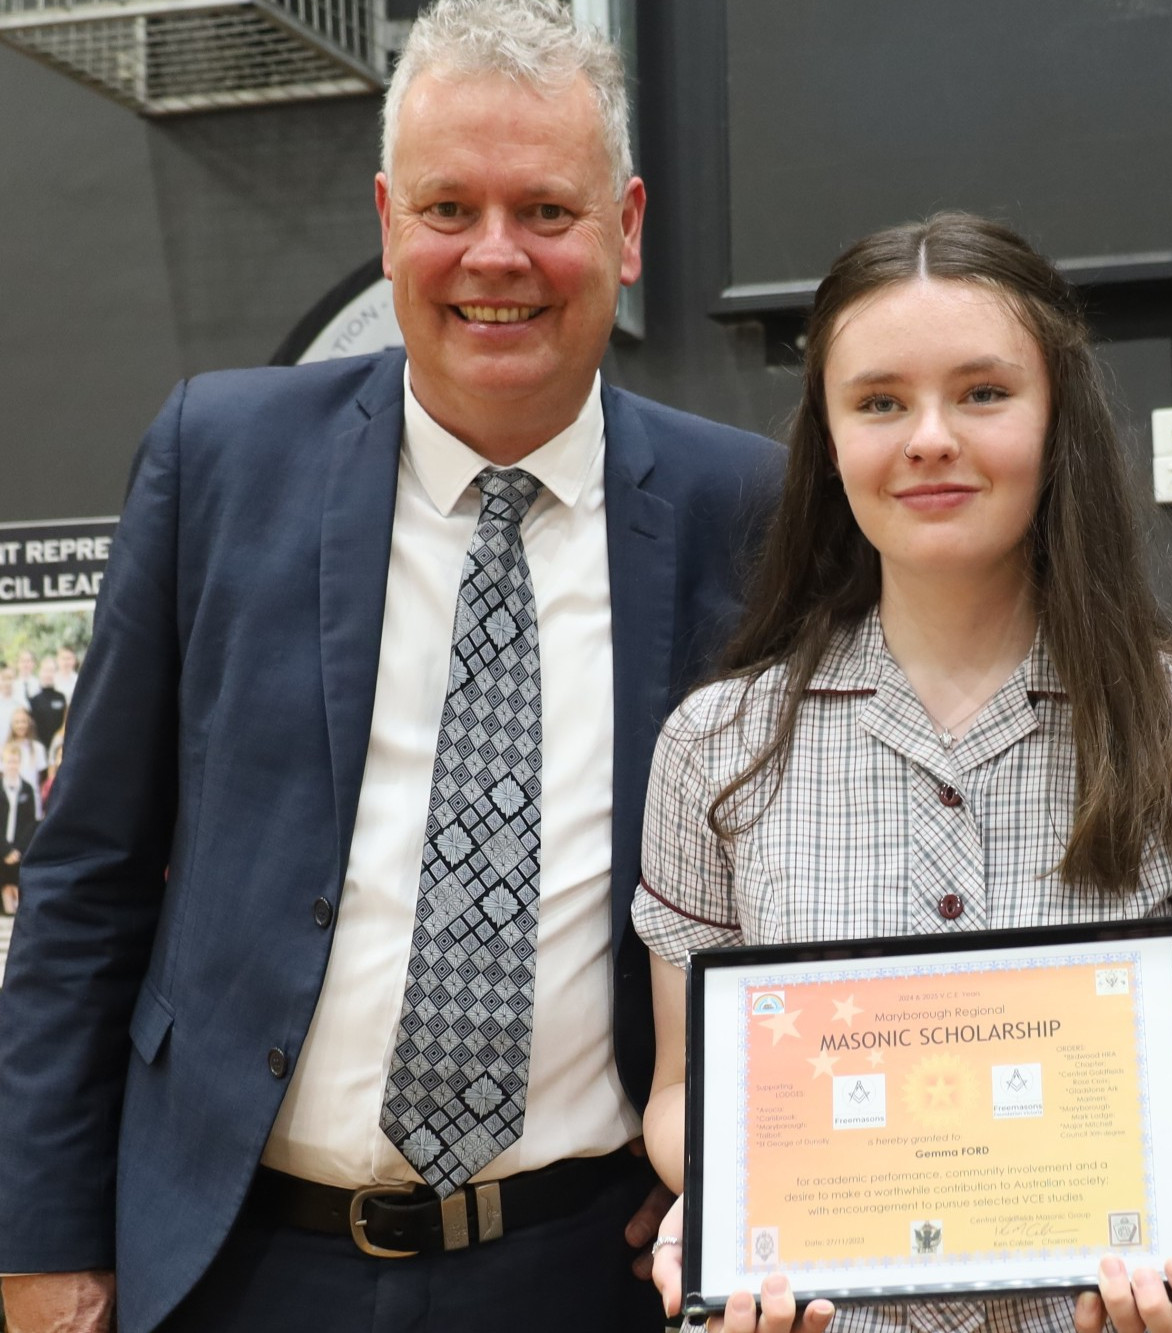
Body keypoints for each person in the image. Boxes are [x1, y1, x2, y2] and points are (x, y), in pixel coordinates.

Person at [0, 2, 778, 1331]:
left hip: (588, 1267)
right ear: (384, 218)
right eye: (447, 207)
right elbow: (87, 881)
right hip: (237, 1266)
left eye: (546, 208)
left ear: (630, 228)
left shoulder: (746, 506)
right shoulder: (219, 462)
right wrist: (43, 1236)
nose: (495, 255)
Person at [634, 213, 1172, 1333]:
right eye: (878, 402)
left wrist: (1150, 1187)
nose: (929, 438)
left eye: (983, 393)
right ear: (828, 436)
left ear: (1058, 420)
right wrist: (724, 1201)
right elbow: (678, 1094)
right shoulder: (718, 747)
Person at [1, 739, 40, 916]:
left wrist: (17, 849)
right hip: (2, 848)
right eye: (9, 761)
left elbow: (31, 822)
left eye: (15, 761)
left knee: (18, 879)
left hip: (19, 849)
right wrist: (5, 850)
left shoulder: (27, 788)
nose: (12, 764)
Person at [6, 708, 47, 792]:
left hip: (33, 794)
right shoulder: (5, 748)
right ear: (12, 725)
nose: (20, 725)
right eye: (17, 722)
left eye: (23, 721)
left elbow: (42, 776)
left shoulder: (38, 748)